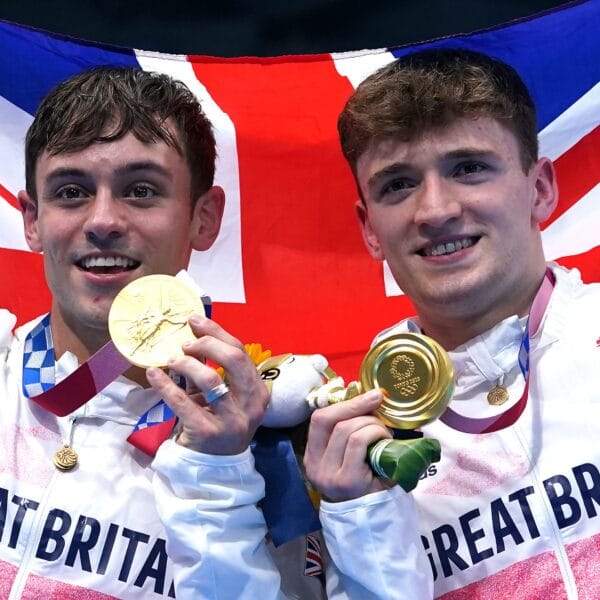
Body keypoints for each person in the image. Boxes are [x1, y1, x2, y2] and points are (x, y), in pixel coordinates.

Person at [5, 65, 428, 599]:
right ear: (32, 219)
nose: (103, 220)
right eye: (71, 191)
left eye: (140, 190)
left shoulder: (277, 455)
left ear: (204, 218)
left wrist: (217, 471)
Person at [303, 46, 600, 598]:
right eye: (398, 184)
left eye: (468, 168)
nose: (435, 210)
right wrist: (358, 517)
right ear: (370, 229)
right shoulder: (346, 447)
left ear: (540, 189)